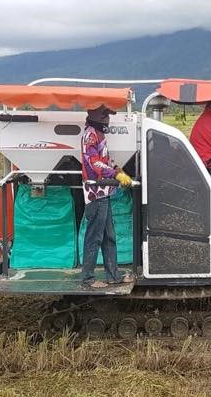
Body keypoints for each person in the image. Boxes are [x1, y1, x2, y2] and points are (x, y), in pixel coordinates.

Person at [80, 104, 131, 289]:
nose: (108, 119)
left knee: (109, 236)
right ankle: (88, 279)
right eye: (106, 115)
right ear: (98, 117)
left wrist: (116, 170)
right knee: (94, 237)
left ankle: (113, 275)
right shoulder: (90, 135)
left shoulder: (99, 135)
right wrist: (115, 174)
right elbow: (94, 164)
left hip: (104, 192)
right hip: (95, 193)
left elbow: (102, 161)